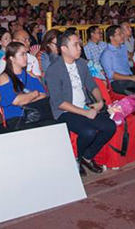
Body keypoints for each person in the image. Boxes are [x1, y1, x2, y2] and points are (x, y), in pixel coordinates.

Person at [45, 30, 115, 176]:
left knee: (110, 126)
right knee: (88, 132)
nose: (79, 48)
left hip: (84, 106)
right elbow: (59, 102)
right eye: (75, 45)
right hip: (65, 112)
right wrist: (85, 112)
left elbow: (92, 85)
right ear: (64, 49)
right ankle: (77, 158)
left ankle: (87, 156)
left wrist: (100, 101)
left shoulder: (81, 64)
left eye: (79, 44)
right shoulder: (53, 70)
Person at [100, 25, 135, 137]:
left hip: (130, 79)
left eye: (122, 33)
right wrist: (131, 78)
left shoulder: (122, 48)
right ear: (112, 37)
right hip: (118, 83)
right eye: (119, 34)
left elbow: (131, 56)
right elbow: (111, 75)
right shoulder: (106, 54)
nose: (122, 36)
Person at [0, 42, 53, 130]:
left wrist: (26, 99)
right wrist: (34, 94)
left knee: (55, 125)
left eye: (26, 54)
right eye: (22, 54)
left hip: (36, 114)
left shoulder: (30, 75)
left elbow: (43, 95)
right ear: (12, 58)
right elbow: (16, 101)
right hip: (16, 117)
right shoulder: (4, 78)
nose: (26, 57)